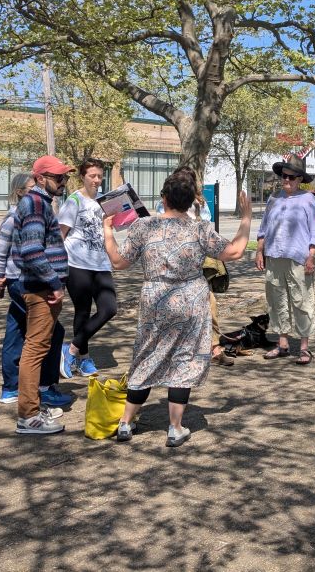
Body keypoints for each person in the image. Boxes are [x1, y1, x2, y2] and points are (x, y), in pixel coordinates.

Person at [103, 170, 252, 446]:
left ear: (164, 198)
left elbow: (118, 262)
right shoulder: (199, 229)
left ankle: (125, 422)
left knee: (147, 355)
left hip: (155, 299)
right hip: (190, 300)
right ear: (191, 201)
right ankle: (175, 427)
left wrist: (108, 230)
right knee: (185, 358)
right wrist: (246, 218)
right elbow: (234, 251)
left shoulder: (144, 226)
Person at [0, 173, 68, 408]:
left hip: (19, 281)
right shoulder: (19, 215)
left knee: (16, 331)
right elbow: (1, 251)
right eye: (31, 187)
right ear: (20, 191)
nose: (36, 191)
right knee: (51, 333)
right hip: (22, 281)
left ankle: (11, 388)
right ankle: (44, 387)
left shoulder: (31, 211)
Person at [11, 155, 74, 435]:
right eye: (58, 177)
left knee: (37, 347)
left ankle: (32, 407)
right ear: (40, 178)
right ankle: (29, 416)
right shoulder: (35, 203)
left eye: (64, 177)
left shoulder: (40, 202)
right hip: (41, 290)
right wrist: (55, 283)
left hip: (42, 287)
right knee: (35, 349)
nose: (63, 181)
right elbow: (32, 251)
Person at [153, 166, 230, 367]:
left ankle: (214, 348)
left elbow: (206, 229)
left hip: (197, 263)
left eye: (189, 180)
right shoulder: (164, 202)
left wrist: (195, 211)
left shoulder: (200, 203)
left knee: (209, 302)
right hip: (173, 264)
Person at [255, 154, 315, 365]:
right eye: (284, 176)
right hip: (274, 256)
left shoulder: (308, 199)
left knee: (302, 301)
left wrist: (311, 255)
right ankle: (282, 344)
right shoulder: (273, 198)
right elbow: (263, 228)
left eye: (291, 177)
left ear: (300, 179)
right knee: (277, 301)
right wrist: (259, 251)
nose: (286, 180)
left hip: (299, 258)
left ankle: (304, 348)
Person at [58, 158, 117, 379]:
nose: (97, 180)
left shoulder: (105, 201)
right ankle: (83, 360)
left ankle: (71, 350)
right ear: (82, 176)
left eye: (100, 176)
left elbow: (113, 228)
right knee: (82, 312)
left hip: (101, 264)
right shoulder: (74, 201)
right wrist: (57, 267)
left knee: (109, 309)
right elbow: (60, 235)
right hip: (77, 263)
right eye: (92, 176)